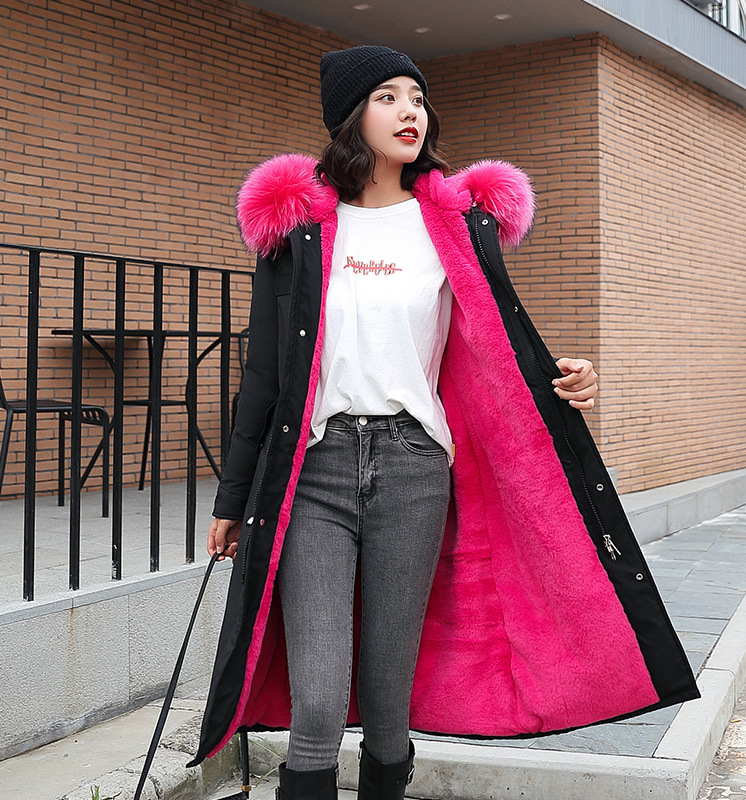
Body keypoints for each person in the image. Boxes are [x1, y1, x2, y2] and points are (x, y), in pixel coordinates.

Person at [190, 45, 699, 800]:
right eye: (388, 97)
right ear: (350, 117)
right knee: (318, 702)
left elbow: (496, 347)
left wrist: (567, 378)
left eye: (418, 98)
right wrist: (234, 498)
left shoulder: (456, 226)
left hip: (413, 468)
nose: (411, 112)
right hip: (315, 470)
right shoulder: (299, 233)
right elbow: (263, 376)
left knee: (388, 701)